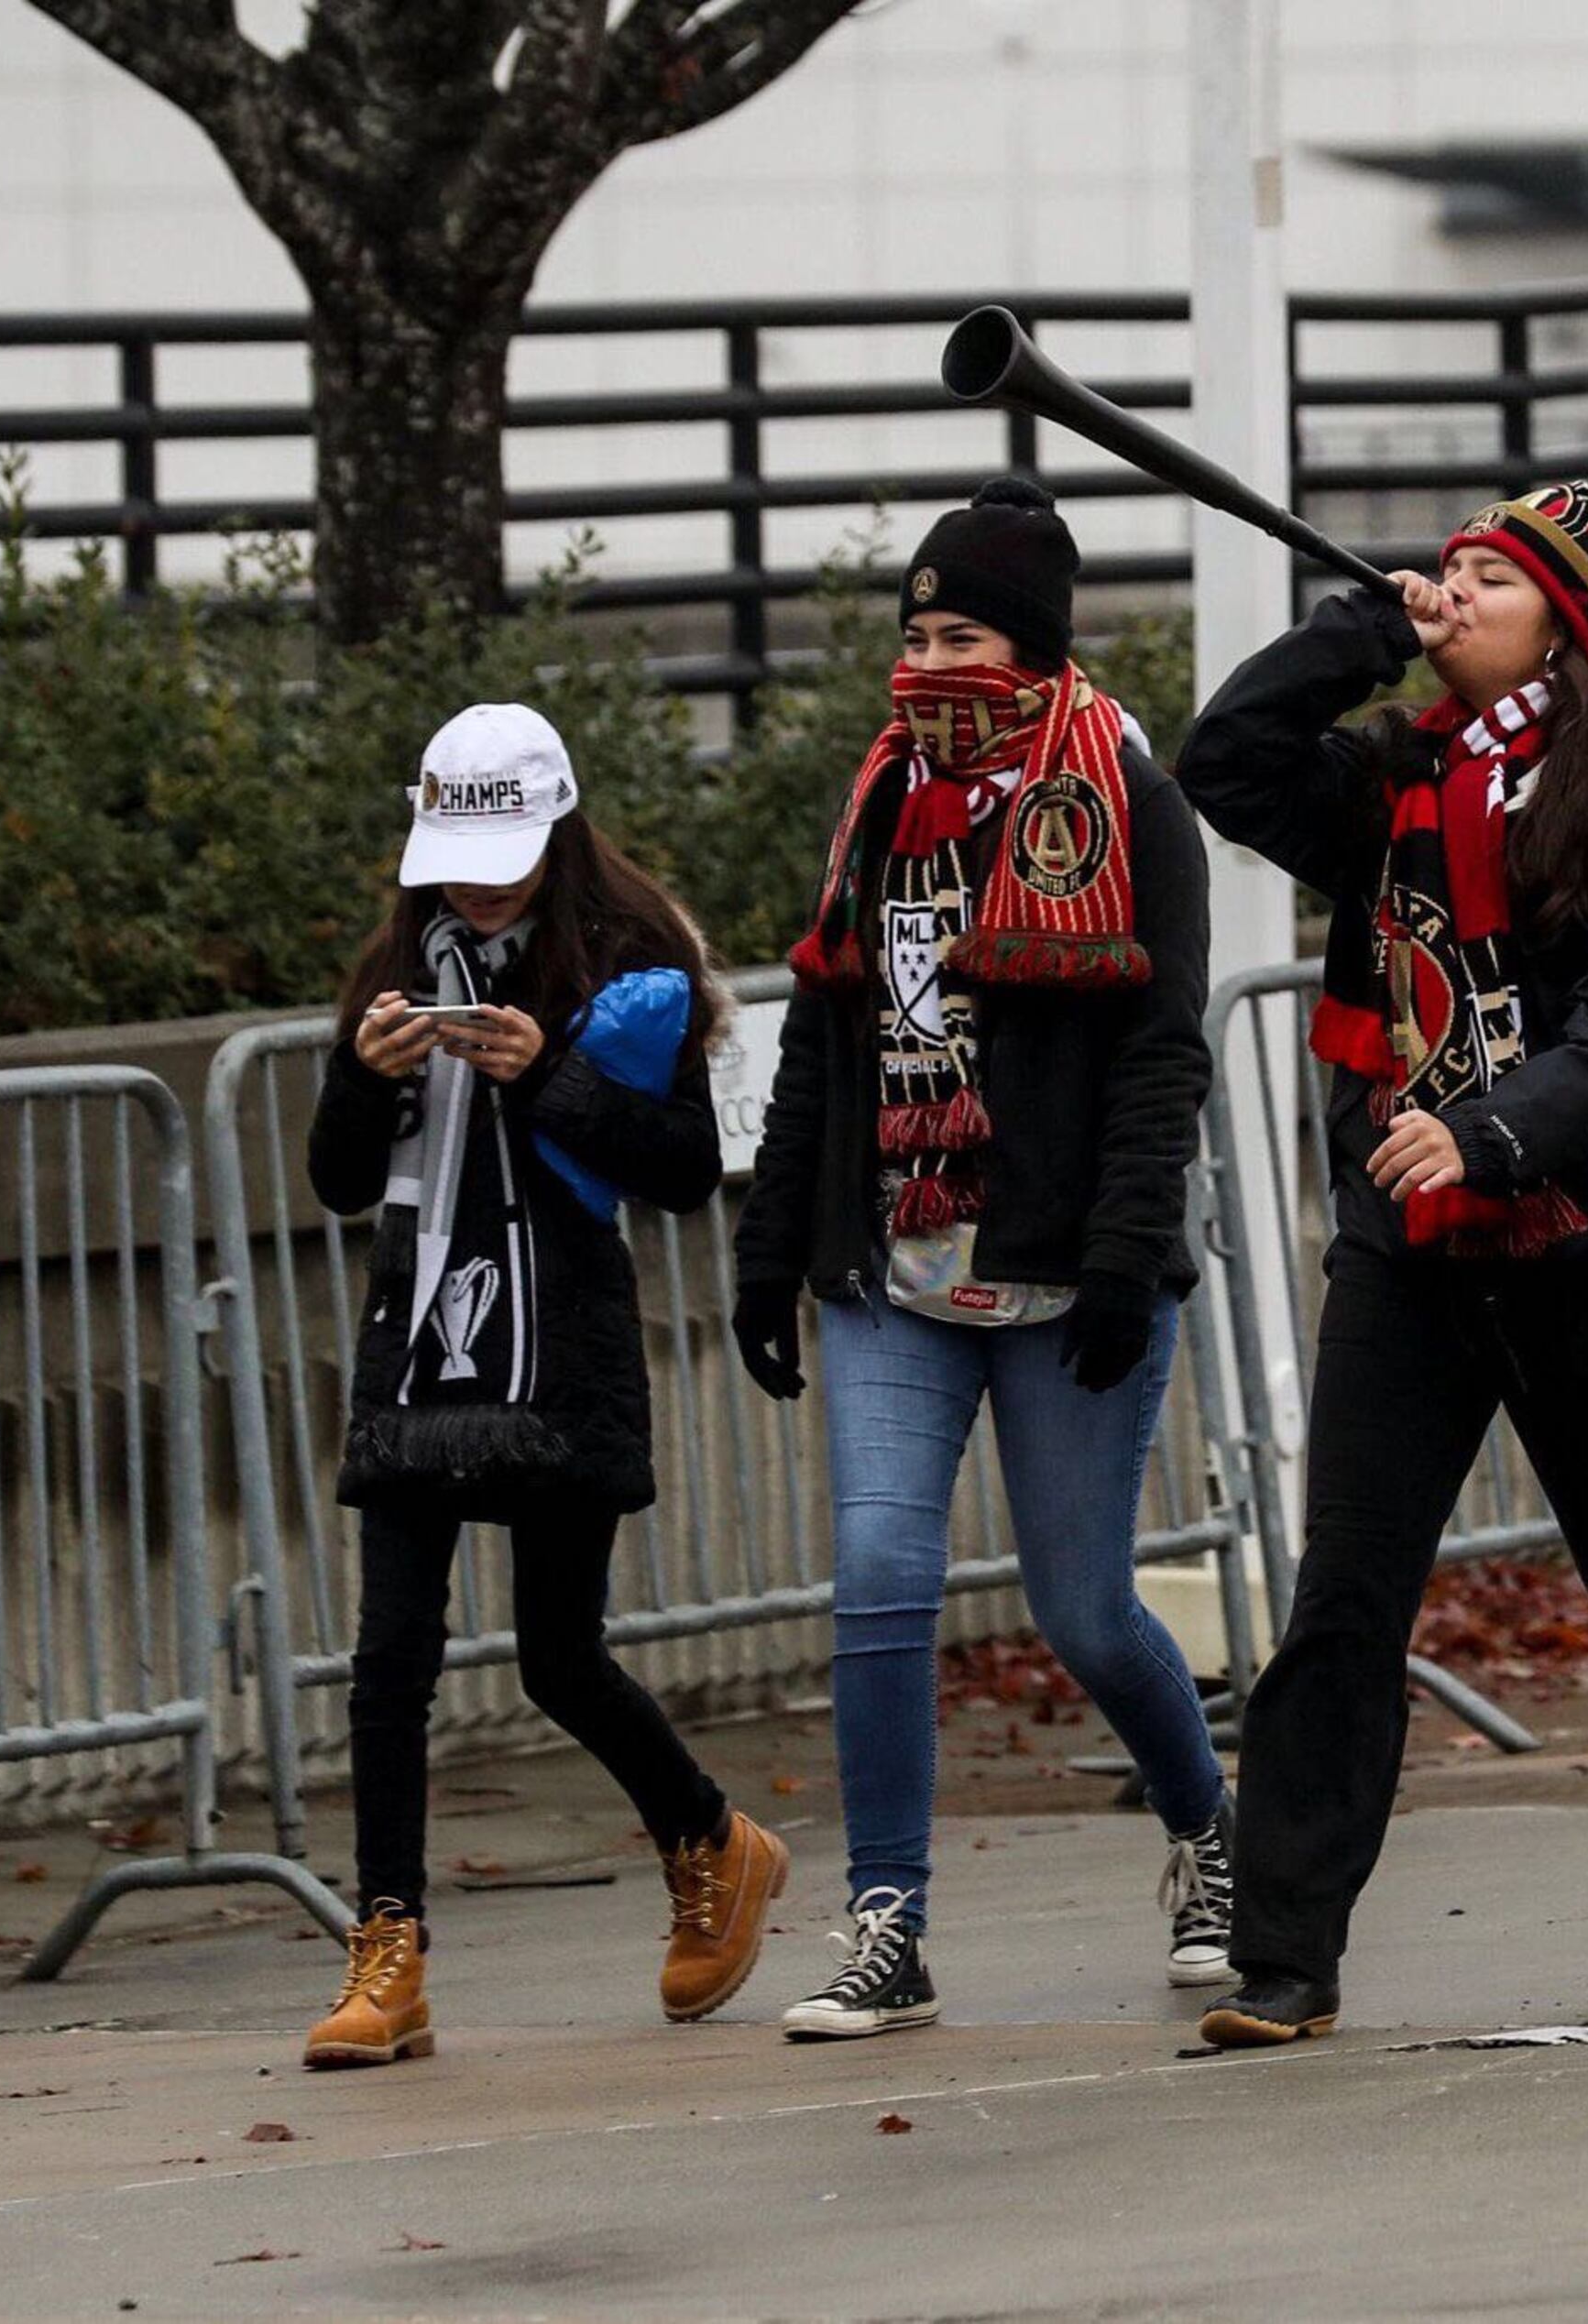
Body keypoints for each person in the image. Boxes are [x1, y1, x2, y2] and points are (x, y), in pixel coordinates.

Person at [1175, 476, 1588, 2048]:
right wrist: (1354, 628)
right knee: (1343, 1589)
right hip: (1408, 1252)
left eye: (1494, 575)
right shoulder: (1391, 778)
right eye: (1454, 568)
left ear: (1572, 620)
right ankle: (1285, 1956)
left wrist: (1483, 1135)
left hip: (1584, 1244)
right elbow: (1225, 761)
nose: (1456, 589)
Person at [728, 478, 1232, 2042]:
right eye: (916, 633)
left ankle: (1213, 1832)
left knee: (1083, 1611)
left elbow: (1163, 1050)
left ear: (1034, 648)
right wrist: (767, 1252)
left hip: (1069, 1267)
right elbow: (824, 1029)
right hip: (897, 1265)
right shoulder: (882, 803)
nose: (930, 664)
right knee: (881, 1577)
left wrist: (1134, 1250)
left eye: (965, 635)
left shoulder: (1127, 800)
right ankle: (890, 1922)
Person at [301, 702, 783, 2070]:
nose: (475, 879)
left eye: (502, 850)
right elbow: (340, 1181)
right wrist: (358, 1073)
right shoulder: (403, 960)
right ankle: (386, 1950)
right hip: (419, 1339)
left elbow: (687, 1166)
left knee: (558, 1654)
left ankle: (708, 1839)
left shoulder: (633, 959)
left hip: (557, 1340)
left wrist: (545, 1076)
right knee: (390, 1656)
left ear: (560, 831)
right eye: (453, 852)